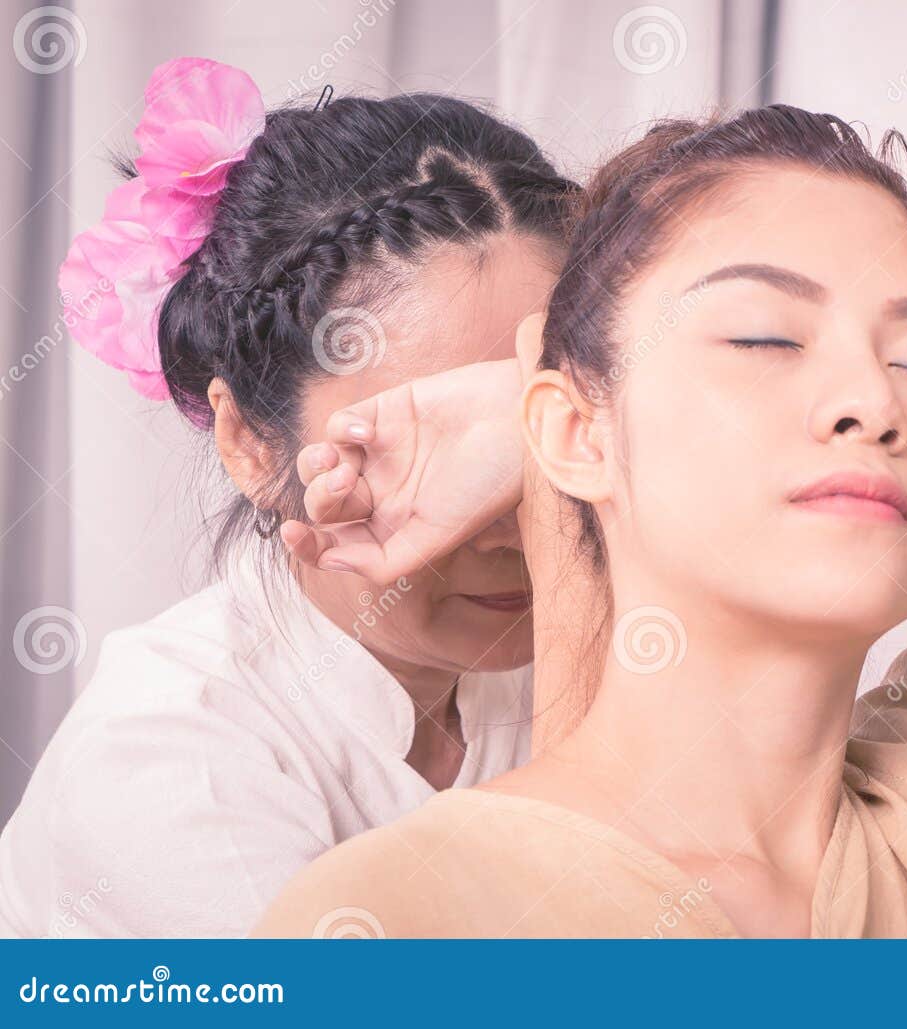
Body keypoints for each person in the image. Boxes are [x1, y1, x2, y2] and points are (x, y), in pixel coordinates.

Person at [253, 105, 907, 938]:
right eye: (764, 336)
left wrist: (551, 404)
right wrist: (560, 398)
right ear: (575, 431)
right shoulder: (394, 920)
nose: (871, 401)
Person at [0, 58, 573, 937]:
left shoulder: (586, 647)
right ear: (249, 441)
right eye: (423, 440)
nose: (509, 519)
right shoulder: (171, 763)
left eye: (536, 416)